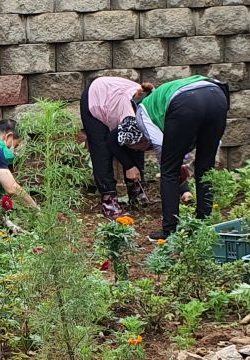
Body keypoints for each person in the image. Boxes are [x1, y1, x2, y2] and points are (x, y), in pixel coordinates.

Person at [134, 74, 230, 239]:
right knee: (205, 167)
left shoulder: (141, 112)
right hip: (217, 95)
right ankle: (204, 224)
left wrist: (176, 168)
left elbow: (162, 150)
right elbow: (214, 142)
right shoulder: (162, 96)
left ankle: (170, 230)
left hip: (186, 102)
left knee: (168, 171)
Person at [81, 73, 147, 217]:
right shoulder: (131, 118)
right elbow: (112, 141)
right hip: (96, 98)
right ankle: (109, 201)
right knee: (102, 151)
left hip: (115, 99)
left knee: (136, 147)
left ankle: (136, 193)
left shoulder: (152, 115)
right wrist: (129, 166)